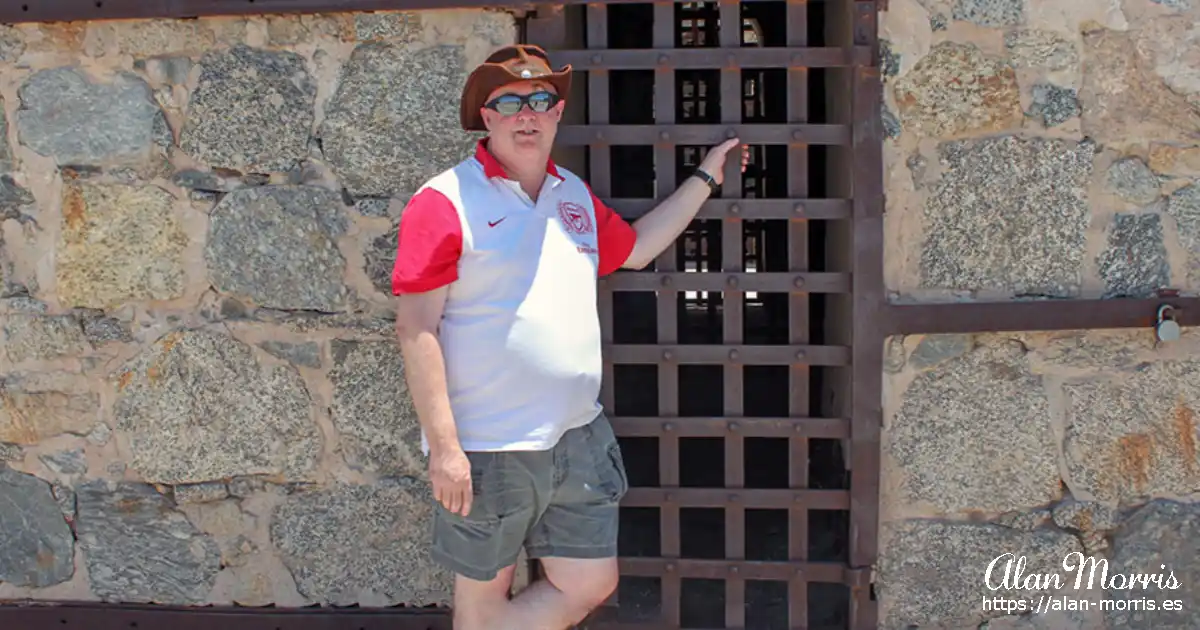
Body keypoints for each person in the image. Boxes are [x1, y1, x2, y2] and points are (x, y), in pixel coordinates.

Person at [391, 44, 748, 630]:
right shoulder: (444, 201)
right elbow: (416, 328)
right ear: (487, 116)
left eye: (540, 101)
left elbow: (633, 250)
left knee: (590, 582)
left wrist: (706, 177)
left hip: (575, 436)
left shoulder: (572, 195)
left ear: (557, 113)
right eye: (509, 102)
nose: (526, 114)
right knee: (480, 606)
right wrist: (446, 449)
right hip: (489, 446)